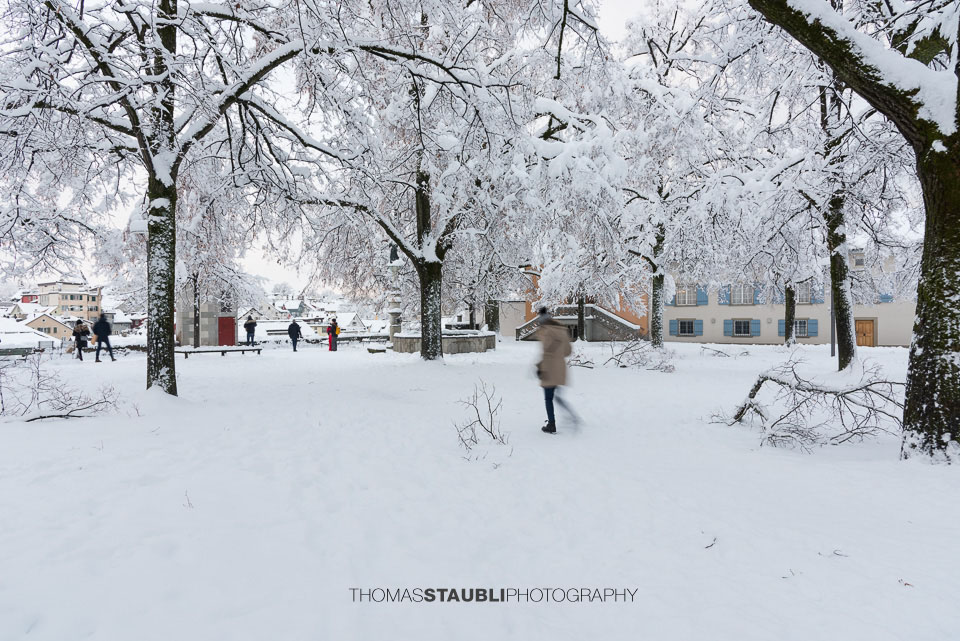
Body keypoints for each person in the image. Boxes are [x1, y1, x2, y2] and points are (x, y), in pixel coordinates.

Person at [534, 307, 576, 434]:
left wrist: (540, 367)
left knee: (548, 398)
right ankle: (572, 416)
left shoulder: (546, 331)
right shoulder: (562, 330)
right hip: (560, 368)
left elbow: (547, 351)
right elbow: (568, 351)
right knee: (557, 396)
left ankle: (551, 424)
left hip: (549, 368)